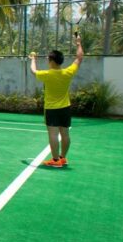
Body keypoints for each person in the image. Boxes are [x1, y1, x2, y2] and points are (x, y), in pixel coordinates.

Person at [29, 33, 84, 168]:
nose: (47, 60)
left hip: (52, 109)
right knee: (64, 133)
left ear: (52, 61)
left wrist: (33, 59)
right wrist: (78, 43)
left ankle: (55, 161)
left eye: (48, 58)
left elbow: (33, 71)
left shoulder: (47, 75)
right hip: (65, 108)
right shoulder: (68, 72)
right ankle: (62, 158)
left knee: (53, 134)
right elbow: (79, 57)